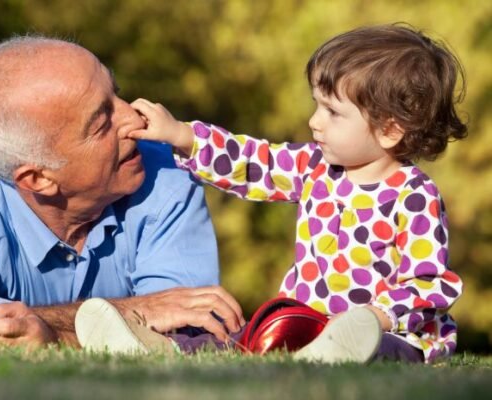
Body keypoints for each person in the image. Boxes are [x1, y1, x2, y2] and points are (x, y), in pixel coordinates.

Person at [93, 24, 466, 363]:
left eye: (333, 113)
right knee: (241, 337)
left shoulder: (414, 196)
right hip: (303, 324)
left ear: (389, 130)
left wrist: (376, 317)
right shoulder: (315, 167)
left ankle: (347, 348)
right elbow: (256, 163)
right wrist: (183, 136)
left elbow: (427, 284)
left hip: (392, 333)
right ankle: (154, 345)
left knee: (384, 350)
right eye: (316, 105)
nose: (314, 121)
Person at [0, 36, 246, 348]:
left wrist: (49, 330)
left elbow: (187, 329)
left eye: (117, 92)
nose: (136, 119)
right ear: (37, 179)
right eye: (101, 123)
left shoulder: (165, 171)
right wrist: (125, 314)